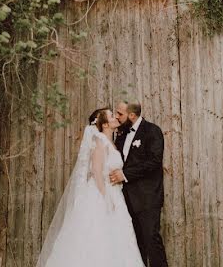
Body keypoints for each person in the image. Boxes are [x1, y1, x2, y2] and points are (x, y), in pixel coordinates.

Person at [36, 107, 145, 267]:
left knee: (117, 238)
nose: (115, 117)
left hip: (114, 193)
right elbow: (96, 171)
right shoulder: (99, 141)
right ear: (105, 124)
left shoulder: (112, 143)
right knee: (97, 235)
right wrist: (106, 197)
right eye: (111, 116)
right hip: (101, 194)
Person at [110, 101, 169, 267]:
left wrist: (125, 174)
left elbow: (154, 162)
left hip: (147, 198)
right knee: (135, 245)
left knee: (151, 240)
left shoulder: (152, 131)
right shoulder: (121, 135)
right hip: (126, 199)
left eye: (120, 114)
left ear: (132, 115)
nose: (116, 116)